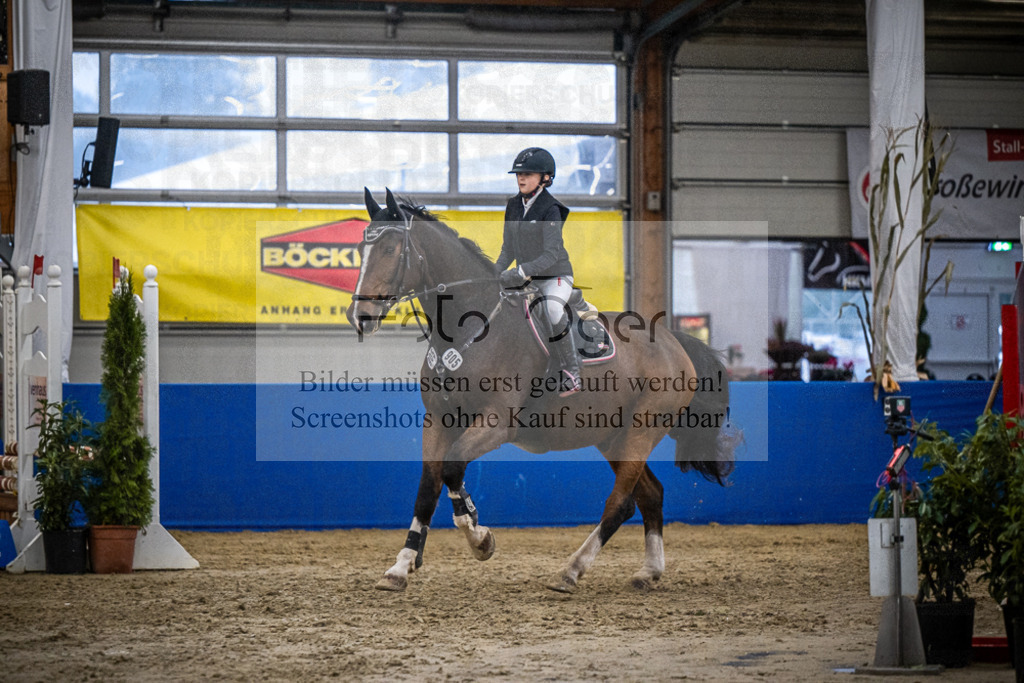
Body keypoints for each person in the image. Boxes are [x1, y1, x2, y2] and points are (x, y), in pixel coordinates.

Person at [495, 147, 581, 397]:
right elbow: (507, 250)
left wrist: (521, 272)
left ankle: (572, 371)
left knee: (552, 308)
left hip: (555, 276)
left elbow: (551, 255)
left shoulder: (550, 208)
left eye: (528, 174)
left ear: (545, 178)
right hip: (527, 278)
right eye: (518, 175)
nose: (521, 179)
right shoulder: (512, 205)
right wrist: (492, 273)